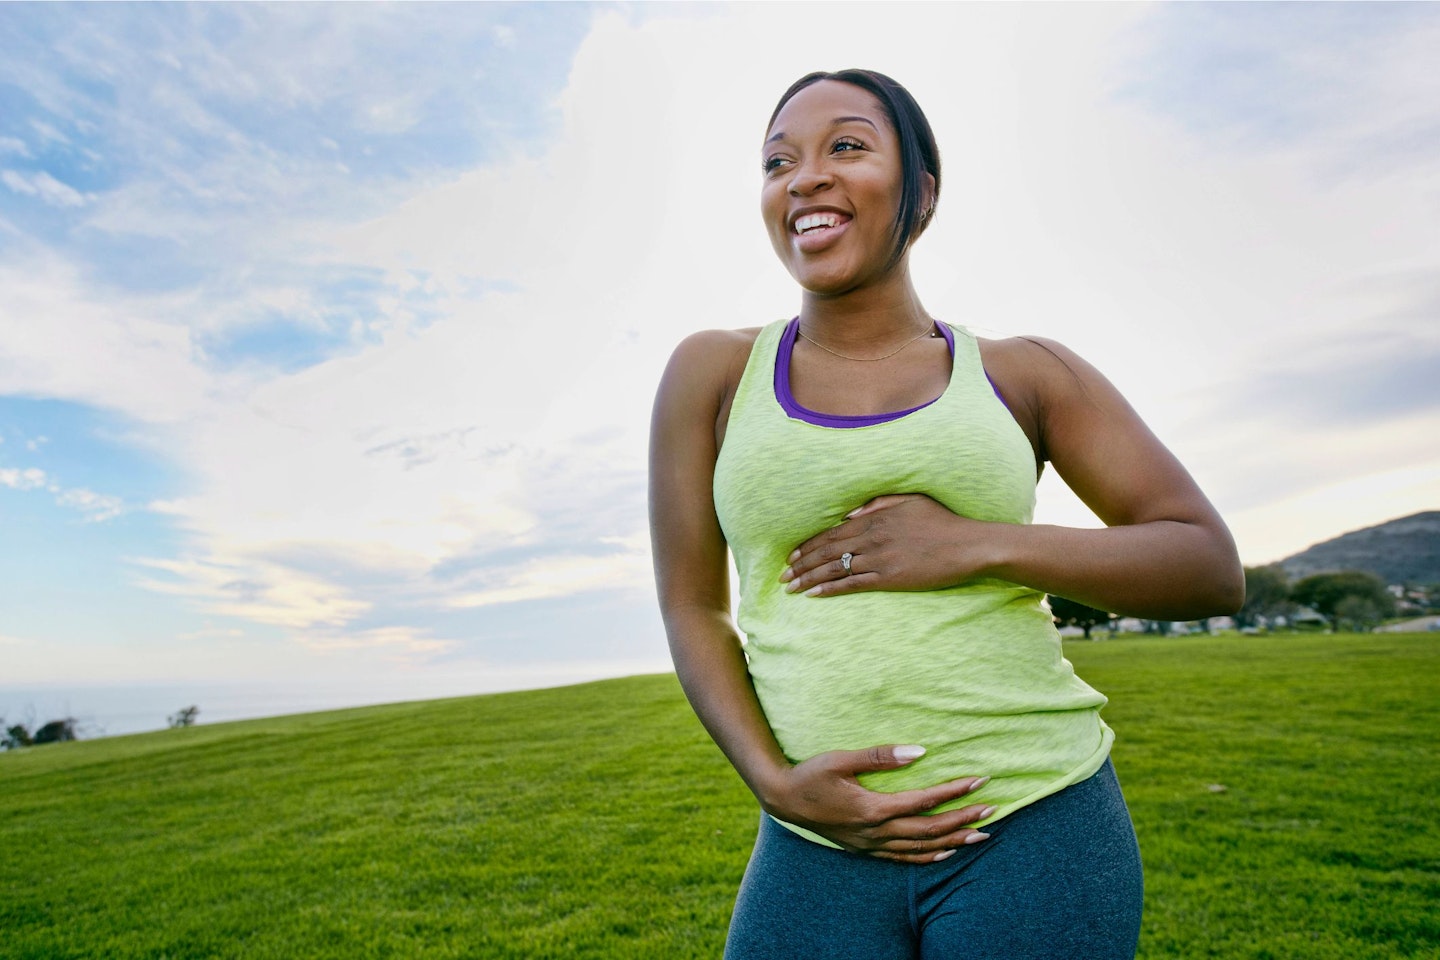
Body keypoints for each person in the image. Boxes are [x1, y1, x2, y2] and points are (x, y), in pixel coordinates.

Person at [648, 68, 1243, 960]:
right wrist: (772, 782)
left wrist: (974, 544)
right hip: (816, 840)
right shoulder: (713, 373)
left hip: (1035, 822)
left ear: (921, 192)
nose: (804, 177)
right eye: (779, 161)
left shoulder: (1025, 372)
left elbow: (1205, 565)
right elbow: (694, 605)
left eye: (846, 146)